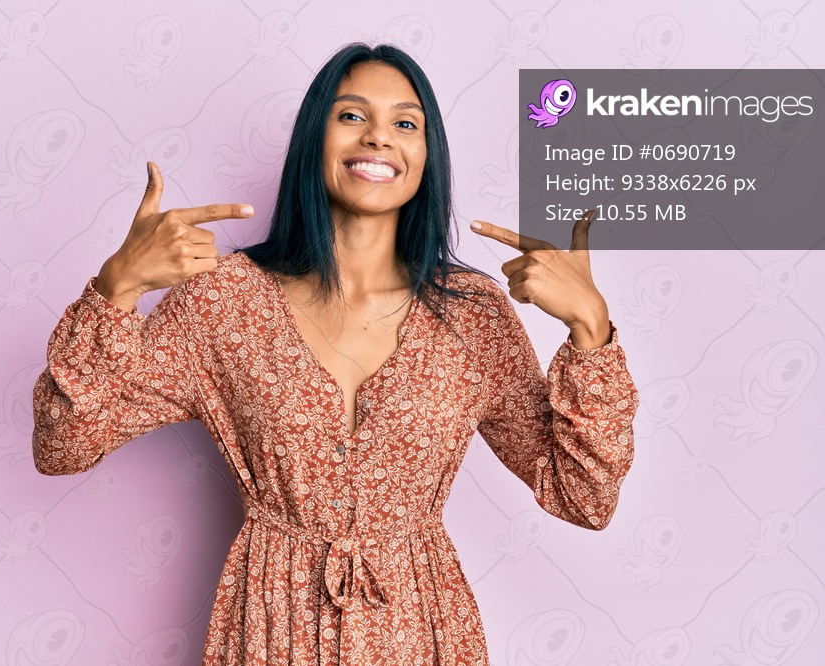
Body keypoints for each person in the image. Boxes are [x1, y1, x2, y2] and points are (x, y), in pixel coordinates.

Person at [32, 42, 639, 665]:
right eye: (352, 116)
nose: (379, 138)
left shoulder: (472, 314)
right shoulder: (224, 300)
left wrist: (591, 328)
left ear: (427, 158)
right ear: (312, 140)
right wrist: (117, 287)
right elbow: (62, 446)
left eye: (405, 123)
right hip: (275, 630)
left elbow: (584, 498)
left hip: (421, 635)